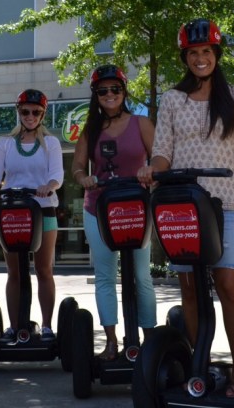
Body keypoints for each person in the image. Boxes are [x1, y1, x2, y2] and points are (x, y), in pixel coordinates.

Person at [137, 19, 234, 399]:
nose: (200, 58)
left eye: (206, 52)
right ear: (185, 58)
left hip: (227, 204)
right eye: (193, 53)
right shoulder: (173, 99)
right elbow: (163, 153)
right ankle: (199, 367)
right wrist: (151, 170)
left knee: (229, 284)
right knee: (189, 287)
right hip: (182, 204)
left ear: (216, 55)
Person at [71, 64, 157, 360]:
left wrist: (151, 169)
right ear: (96, 95)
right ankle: (111, 342)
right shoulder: (91, 129)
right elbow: (78, 166)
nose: (109, 95)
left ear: (124, 91)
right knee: (105, 275)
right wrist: (84, 178)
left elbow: (160, 158)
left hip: (135, 209)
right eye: (103, 90)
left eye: (115, 89)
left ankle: (150, 341)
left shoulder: (141, 124)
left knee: (141, 275)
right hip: (98, 208)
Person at [0, 89, 64, 342]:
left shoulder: (50, 143)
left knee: (43, 269)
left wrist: (49, 186)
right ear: (18, 112)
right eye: (25, 111)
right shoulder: (5, 143)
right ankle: (14, 325)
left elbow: (57, 176)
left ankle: (47, 325)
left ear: (43, 114)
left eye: (36, 112)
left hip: (43, 209)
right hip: (13, 211)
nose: (30, 116)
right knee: (15, 272)